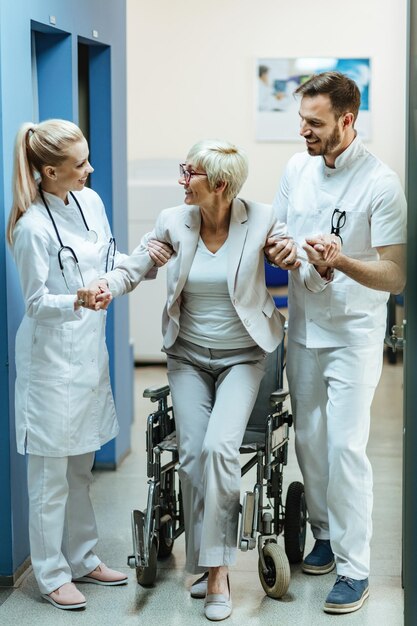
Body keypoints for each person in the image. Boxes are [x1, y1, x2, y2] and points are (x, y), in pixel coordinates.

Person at [80, 139, 337, 621]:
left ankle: (217, 572)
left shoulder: (260, 219)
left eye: (188, 172)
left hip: (243, 357)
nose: (181, 179)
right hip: (188, 357)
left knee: (222, 448)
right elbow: (137, 265)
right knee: (195, 454)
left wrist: (299, 257)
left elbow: (302, 266)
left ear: (219, 184)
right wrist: (105, 286)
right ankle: (204, 561)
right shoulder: (174, 220)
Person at [7, 119, 171, 611]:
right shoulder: (30, 228)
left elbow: (108, 258)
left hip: (88, 359)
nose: (90, 169)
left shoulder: (91, 202)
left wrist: (141, 261)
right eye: (80, 164)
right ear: (49, 171)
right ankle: (51, 574)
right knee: (49, 480)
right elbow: (35, 303)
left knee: (80, 469)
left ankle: (82, 557)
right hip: (50, 367)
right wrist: (76, 299)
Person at [265, 71, 407, 615]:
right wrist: (281, 252)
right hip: (302, 328)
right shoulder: (297, 169)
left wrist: (340, 260)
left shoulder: (381, 183)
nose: (304, 130)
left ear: (347, 121)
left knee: (346, 447)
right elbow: (278, 231)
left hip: (353, 334)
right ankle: (323, 534)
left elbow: (396, 275)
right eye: (301, 119)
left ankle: (355, 567)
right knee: (310, 443)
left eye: (315, 122)